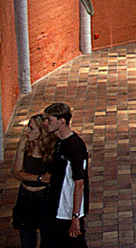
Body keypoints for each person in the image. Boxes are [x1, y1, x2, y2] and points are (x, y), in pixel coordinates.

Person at [44, 102, 89, 247]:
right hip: (56, 208)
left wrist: (75, 217)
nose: (45, 123)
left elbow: (79, 184)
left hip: (66, 211)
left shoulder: (75, 147)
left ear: (61, 121)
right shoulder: (59, 141)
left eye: (49, 120)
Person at [11, 114, 55, 248]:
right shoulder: (25, 145)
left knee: (47, 239)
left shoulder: (51, 149)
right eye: (28, 127)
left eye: (32, 128)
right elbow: (17, 172)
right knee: (27, 240)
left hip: (44, 197)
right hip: (25, 196)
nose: (27, 131)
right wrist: (39, 178)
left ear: (42, 131)